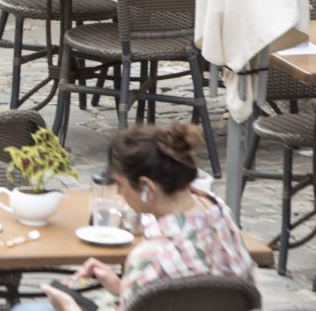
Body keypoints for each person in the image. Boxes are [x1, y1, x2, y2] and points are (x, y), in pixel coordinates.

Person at [17, 124, 256, 311]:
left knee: (24, 309)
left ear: (146, 187)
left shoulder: (150, 256)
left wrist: (69, 307)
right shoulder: (218, 209)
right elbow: (192, 294)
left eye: (120, 185)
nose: (119, 194)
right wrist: (121, 287)